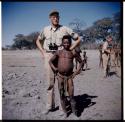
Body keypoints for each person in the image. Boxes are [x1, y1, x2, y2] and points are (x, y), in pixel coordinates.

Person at [36, 10, 81, 114]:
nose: (55, 18)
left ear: (59, 18)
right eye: (53, 17)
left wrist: (70, 48)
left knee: (63, 83)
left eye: (57, 17)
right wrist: (43, 52)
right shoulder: (45, 29)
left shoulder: (65, 29)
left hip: (62, 56)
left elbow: (78, 38)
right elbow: (38, 41)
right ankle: (49, 106)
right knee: (49, 83)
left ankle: (63, 107)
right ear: (50, 18)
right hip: (49, 56)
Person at [49, 35, 83, 117]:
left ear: (70, 43)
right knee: (62, 95)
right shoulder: (59, 52)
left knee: (71, 95)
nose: (66, 44)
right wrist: (55, 69)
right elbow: (50, 61)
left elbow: (81, 62)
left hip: (69, 77)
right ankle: (65, 113)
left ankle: (75, 112)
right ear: (62, 43)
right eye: (64, 42)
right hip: (60, 77)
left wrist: (76, 72)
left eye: (68, 42)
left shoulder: (73, 52)